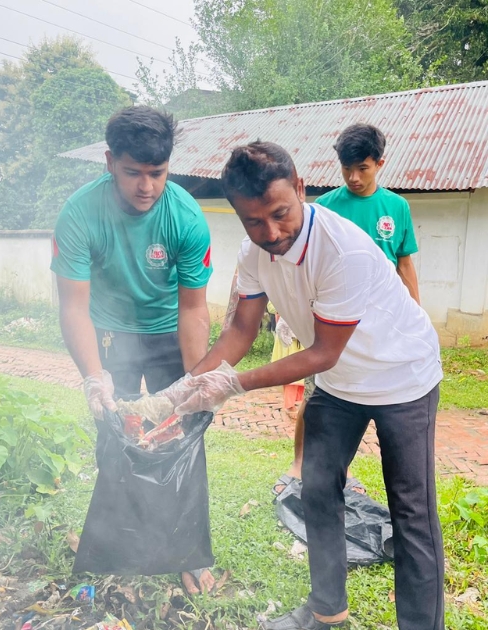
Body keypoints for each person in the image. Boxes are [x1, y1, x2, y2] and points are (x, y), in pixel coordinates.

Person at [165, 141, 443, 630]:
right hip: (340, 383)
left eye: (280, 214)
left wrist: (230, 385)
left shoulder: (343, 249)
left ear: (300, 188)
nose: (272, 233)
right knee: (316, 490)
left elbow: (320, 352)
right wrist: (185, 387)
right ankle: (326, 611)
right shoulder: (253, 251)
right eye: (254, 221)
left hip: (404, 377)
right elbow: (240, 330)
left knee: (412, 512)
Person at [51, 106, 218, 595]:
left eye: (157, 174)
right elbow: (74, 307)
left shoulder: (186, 217)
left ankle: (188, 553)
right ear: (109, 162)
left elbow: (194, 309)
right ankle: (113, 546)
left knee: (182, 434)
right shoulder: (80, 213)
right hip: (109, 332)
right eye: (133, 173)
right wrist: (93, 376)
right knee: (114, 433)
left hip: (169, 330)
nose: (146, 186)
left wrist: (194, 381)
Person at [275, 123, 421, 497]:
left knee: (366, 400)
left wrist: (416, 319)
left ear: (380, 164)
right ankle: (298, 465)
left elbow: (404, 265)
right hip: (331, 322)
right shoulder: (323, 208)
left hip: (380, 325)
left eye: (363, 168)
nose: (354, 178)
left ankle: (343, 469)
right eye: (347, 169)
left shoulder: (396, 208)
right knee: (317, 393)